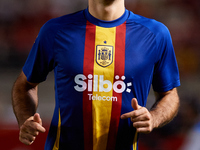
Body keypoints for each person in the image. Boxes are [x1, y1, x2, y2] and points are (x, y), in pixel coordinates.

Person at [12, 0, 180, 150]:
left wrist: (153, 117)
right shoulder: (54, 31)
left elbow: (170, 94)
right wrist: (25, 120)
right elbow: (25, 85)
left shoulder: (156, 34)